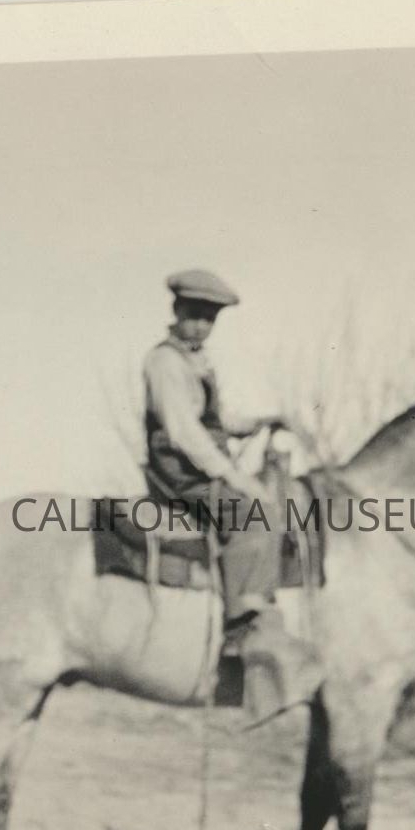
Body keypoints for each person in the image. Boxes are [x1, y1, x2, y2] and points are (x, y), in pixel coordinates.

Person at [141, 268, 307, 709]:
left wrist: (258, 422)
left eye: (209, 318)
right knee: (258, 513)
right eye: (194, 314)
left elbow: (217, 419)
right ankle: (240, 628)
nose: (201, 325)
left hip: (200, 467)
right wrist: (237, 479)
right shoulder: (165, 362)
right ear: (177, 310)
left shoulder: (196, 360)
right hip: (180, 473)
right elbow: (185, 433)